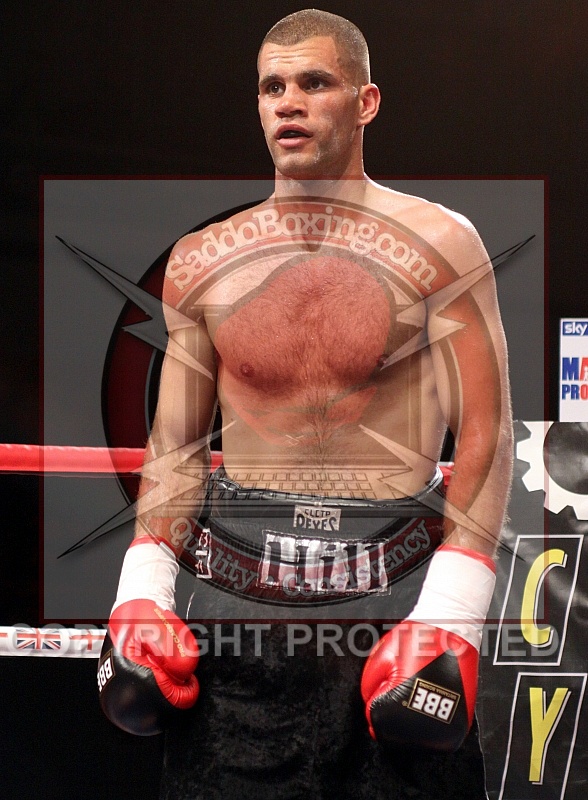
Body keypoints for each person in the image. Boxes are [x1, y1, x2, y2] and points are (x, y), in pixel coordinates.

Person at [97, 9, 513, 799]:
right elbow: (176, 443)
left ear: (366, 102)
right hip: (239, 602)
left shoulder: (441, 243)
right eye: (272, 87)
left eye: (315, 83)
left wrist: (452, 613)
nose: (288, 102)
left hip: (394, 592)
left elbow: (485, 432)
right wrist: (141, 591)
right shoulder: (202, 262)